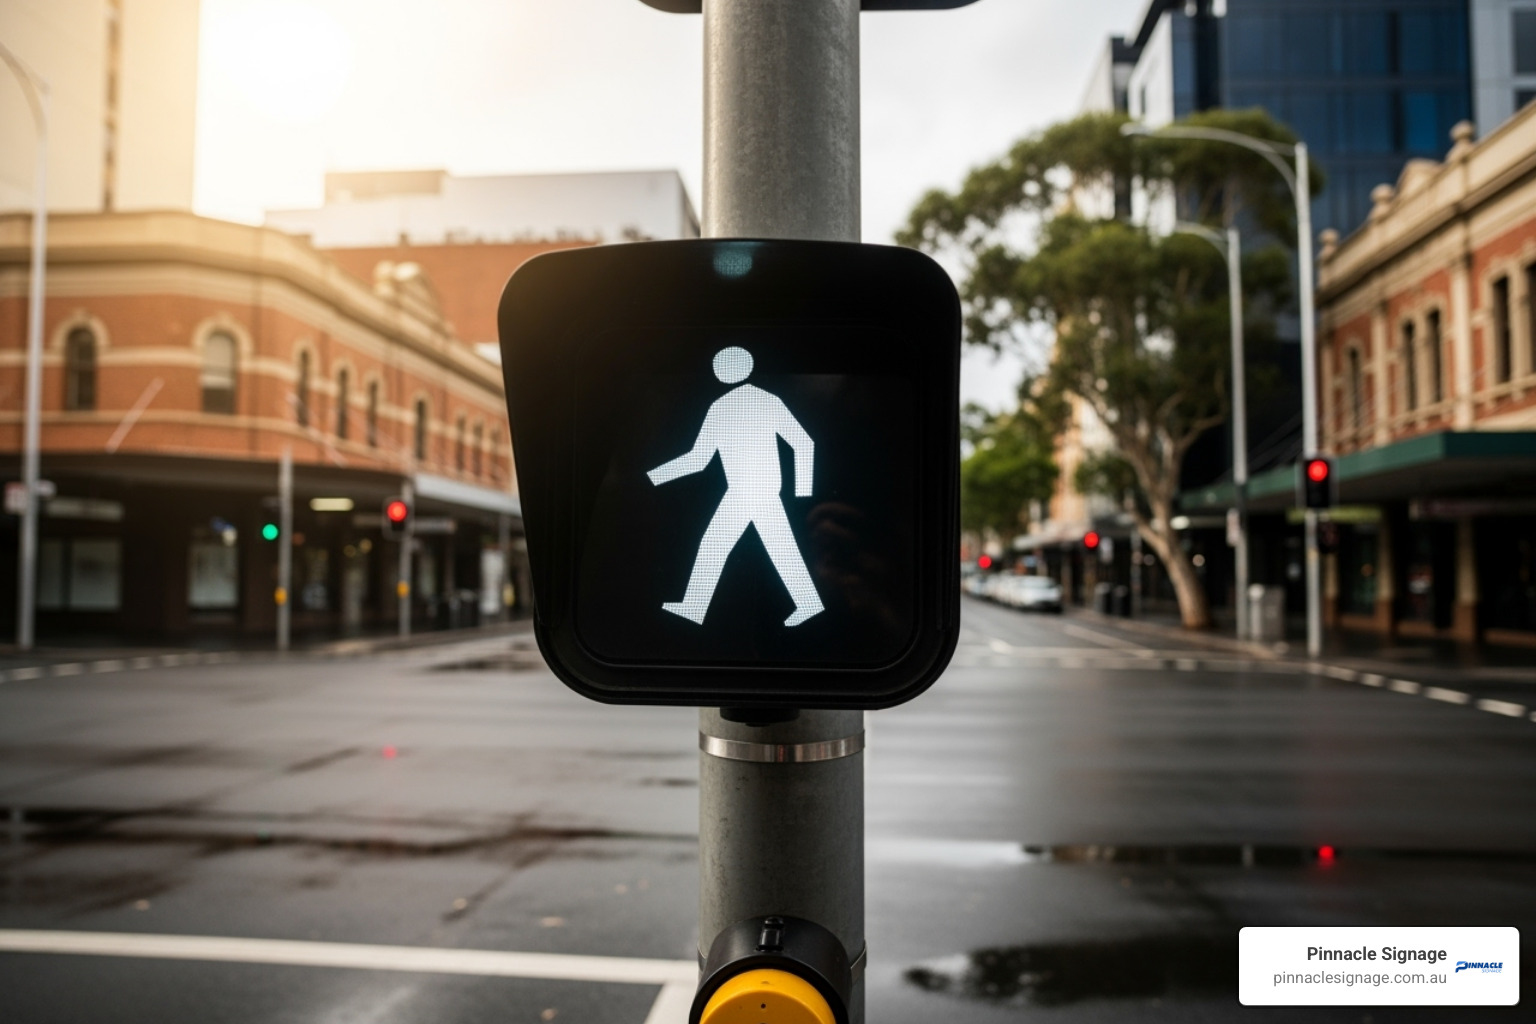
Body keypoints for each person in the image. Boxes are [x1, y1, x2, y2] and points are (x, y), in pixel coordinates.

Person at [648, 346, 824, 627]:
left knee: (731, 547)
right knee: (756, 548)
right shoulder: (738, 404)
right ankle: (808, 603)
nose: (719, 369)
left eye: (723, 364)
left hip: (754, 493)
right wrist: (656, 476)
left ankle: (695, 606)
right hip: (747, 492)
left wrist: (804, 492)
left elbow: (803, 442)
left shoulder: (742, 404)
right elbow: (700, 458)